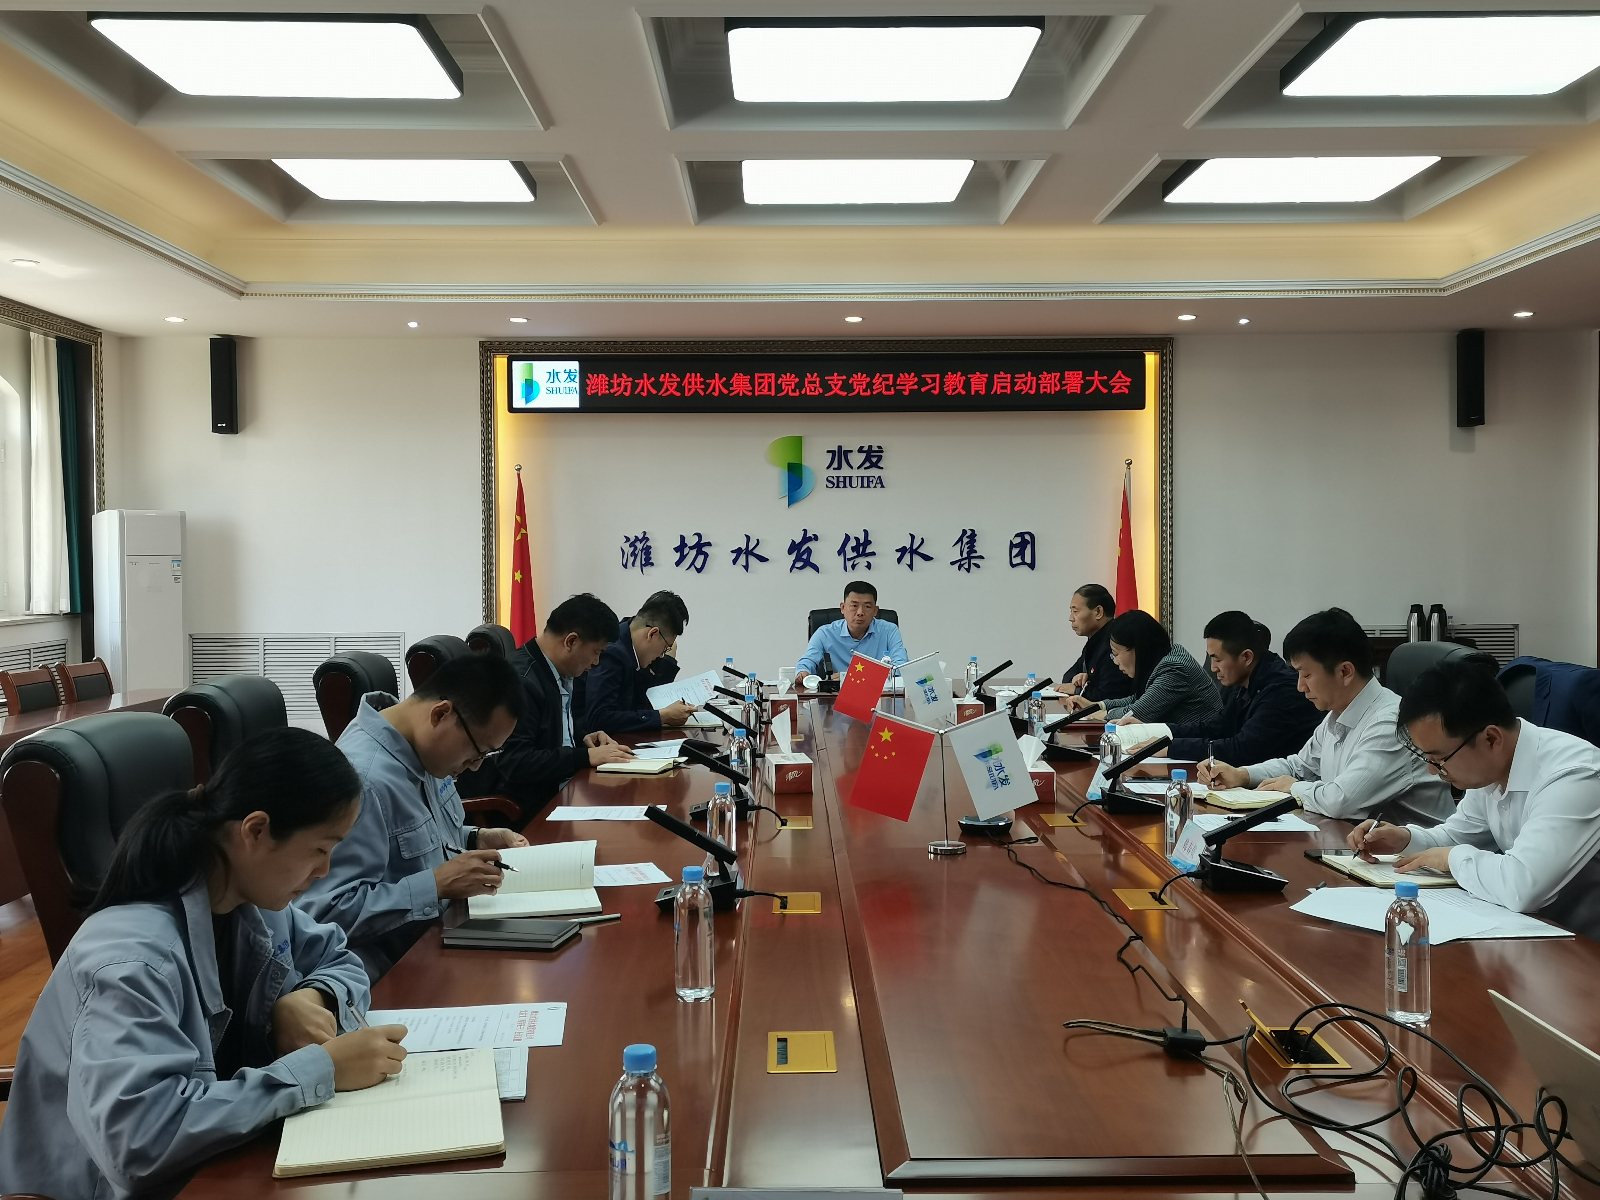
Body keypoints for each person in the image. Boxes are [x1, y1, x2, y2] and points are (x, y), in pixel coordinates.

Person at [0, 729, 408, 1200]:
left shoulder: (256, 905)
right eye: (320, 849)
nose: (325, 871)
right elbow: (137, 1144)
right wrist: (320, 1070)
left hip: (218, 1162)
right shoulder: (133, 961)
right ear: (255, 831)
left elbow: (340, 958)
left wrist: (307, 998)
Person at [298, 653, 531, 981]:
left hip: (445, 935)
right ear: (441, 714)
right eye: (478, 752)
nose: (476, 766)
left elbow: (412, 839)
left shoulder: (421, 748)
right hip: (395, 971)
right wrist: (434, 886)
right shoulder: (363, 781)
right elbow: (321, 914)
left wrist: (474, 837)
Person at [1349, 659, 1600, 939]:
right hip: (1534, 932)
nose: (1432, 771)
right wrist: (1405, 840)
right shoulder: (1491, 768)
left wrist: (1452, 858)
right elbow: (1457, 837)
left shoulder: (1575, 776)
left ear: (1491, 739)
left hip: (1585, 946)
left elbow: (1522, 887)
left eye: (1439, 759)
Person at [1200, 608, 1452, 824]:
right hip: (1358, 844)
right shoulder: (1336, 715)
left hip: (1415, 858)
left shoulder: (1389, 724)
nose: (1300, 686)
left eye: (1306, 675)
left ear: (1345, 672)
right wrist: (1242, 775)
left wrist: (1293, 787)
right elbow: (1298, 766)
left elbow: (1340, 800)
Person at [457, 592, 633, 822]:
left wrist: (584, 738)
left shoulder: (556, 671)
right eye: (596, 652)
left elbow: (548, 734)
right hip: (522, 810)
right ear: (571, 642)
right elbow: (516, 763)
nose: (596, 662)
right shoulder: (522, 682)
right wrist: (585, 756)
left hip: (557, 792)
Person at [1168, 611, 1321, 764]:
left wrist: (1172, 747)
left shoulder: (1282, 691)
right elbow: (1216, 729)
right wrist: (1160, 736)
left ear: (1246, 657)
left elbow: (1243, 750)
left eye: (1217, 660)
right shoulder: (1242, 682)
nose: (1213, 668)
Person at [1067, 609, 1221, 726]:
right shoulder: (1163, 659)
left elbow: (1136, 713)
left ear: (1138, 649)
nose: (1115, 661)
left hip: (1202, 749)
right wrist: (1096, 706)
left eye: (1116, 654)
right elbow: (1138, 699)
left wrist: (1095, 714)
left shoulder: (1174, 669)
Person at [577, 591, 699, 736]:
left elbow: (647, 701)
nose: (662, 655)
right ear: (652, 634)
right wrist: (662, 716)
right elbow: (599, 719)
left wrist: (666, 664)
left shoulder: (630, 644)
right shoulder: (613, 653)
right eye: (665, 648)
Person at [797, 580, 907, 677]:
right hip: (837, 693)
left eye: (867, 607)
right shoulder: (825, 634)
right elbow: (807, 662)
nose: (860, 612)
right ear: (843, 608)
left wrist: (853, 676)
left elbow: (901, 668)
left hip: (879, 692)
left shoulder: (889, 631)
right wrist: (803, 673)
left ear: (875, 611)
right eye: (854, 606)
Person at [1062, 584, 1122, 701]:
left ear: (1098, 612)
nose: (1071, 618)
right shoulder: (1094, 641)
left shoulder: (1115, 643)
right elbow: (1068, 677)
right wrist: (1078, 681)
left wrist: (1078, 690)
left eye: (1075, 611)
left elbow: (1109, 694)